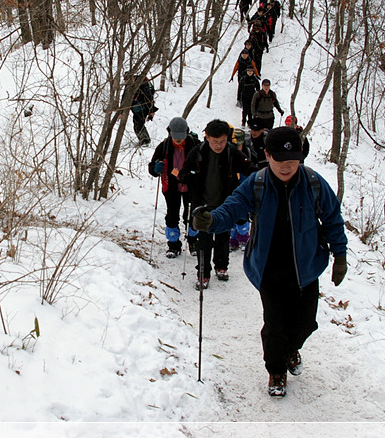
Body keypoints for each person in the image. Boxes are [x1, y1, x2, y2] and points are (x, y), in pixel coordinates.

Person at [191, 126, 348, 397]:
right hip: (269, 268)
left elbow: (333, 218)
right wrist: (212, 220)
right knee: (275, 324)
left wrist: (340, 255)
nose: (287, 167)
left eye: (292, 161)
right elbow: (233, 207)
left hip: (306, 267)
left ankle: (291, 349)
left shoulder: (313, 183)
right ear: (267, 155)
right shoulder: (257, 183)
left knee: (306, 323)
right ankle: (276, 371)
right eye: (280, 161)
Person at [182, 119, 251, 289]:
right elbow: (182, 172)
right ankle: (203, 274)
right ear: (207, 137)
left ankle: (221, 266)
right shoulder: (197, 152)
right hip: (202, 205)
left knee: (223, 238)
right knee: (203, 241)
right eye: (215, 141)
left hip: (225, 205)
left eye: (222, 141)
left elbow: (250, 169)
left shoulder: (232, 153)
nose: (219, 145)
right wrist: (188, 178)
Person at [148, 117, 201, 258]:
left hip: (191, 185)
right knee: (172, 215)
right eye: (175, 137)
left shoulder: (195, 145)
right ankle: (173, 245)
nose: (178, 140)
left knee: (191, 215)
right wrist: (156, 168)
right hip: (171, 186)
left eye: (181, 137)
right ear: (170, 133)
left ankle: (193, 241)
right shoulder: (164, 146)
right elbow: (151, 167)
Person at [130, 76, 157, 146]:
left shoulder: (143, 86)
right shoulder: (131, 86)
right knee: (136, 125)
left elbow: (149, 98)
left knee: (139, 125)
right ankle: (143, 140)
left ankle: (145, 140)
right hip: (136, 110)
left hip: (143, 109)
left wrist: (151, 111)